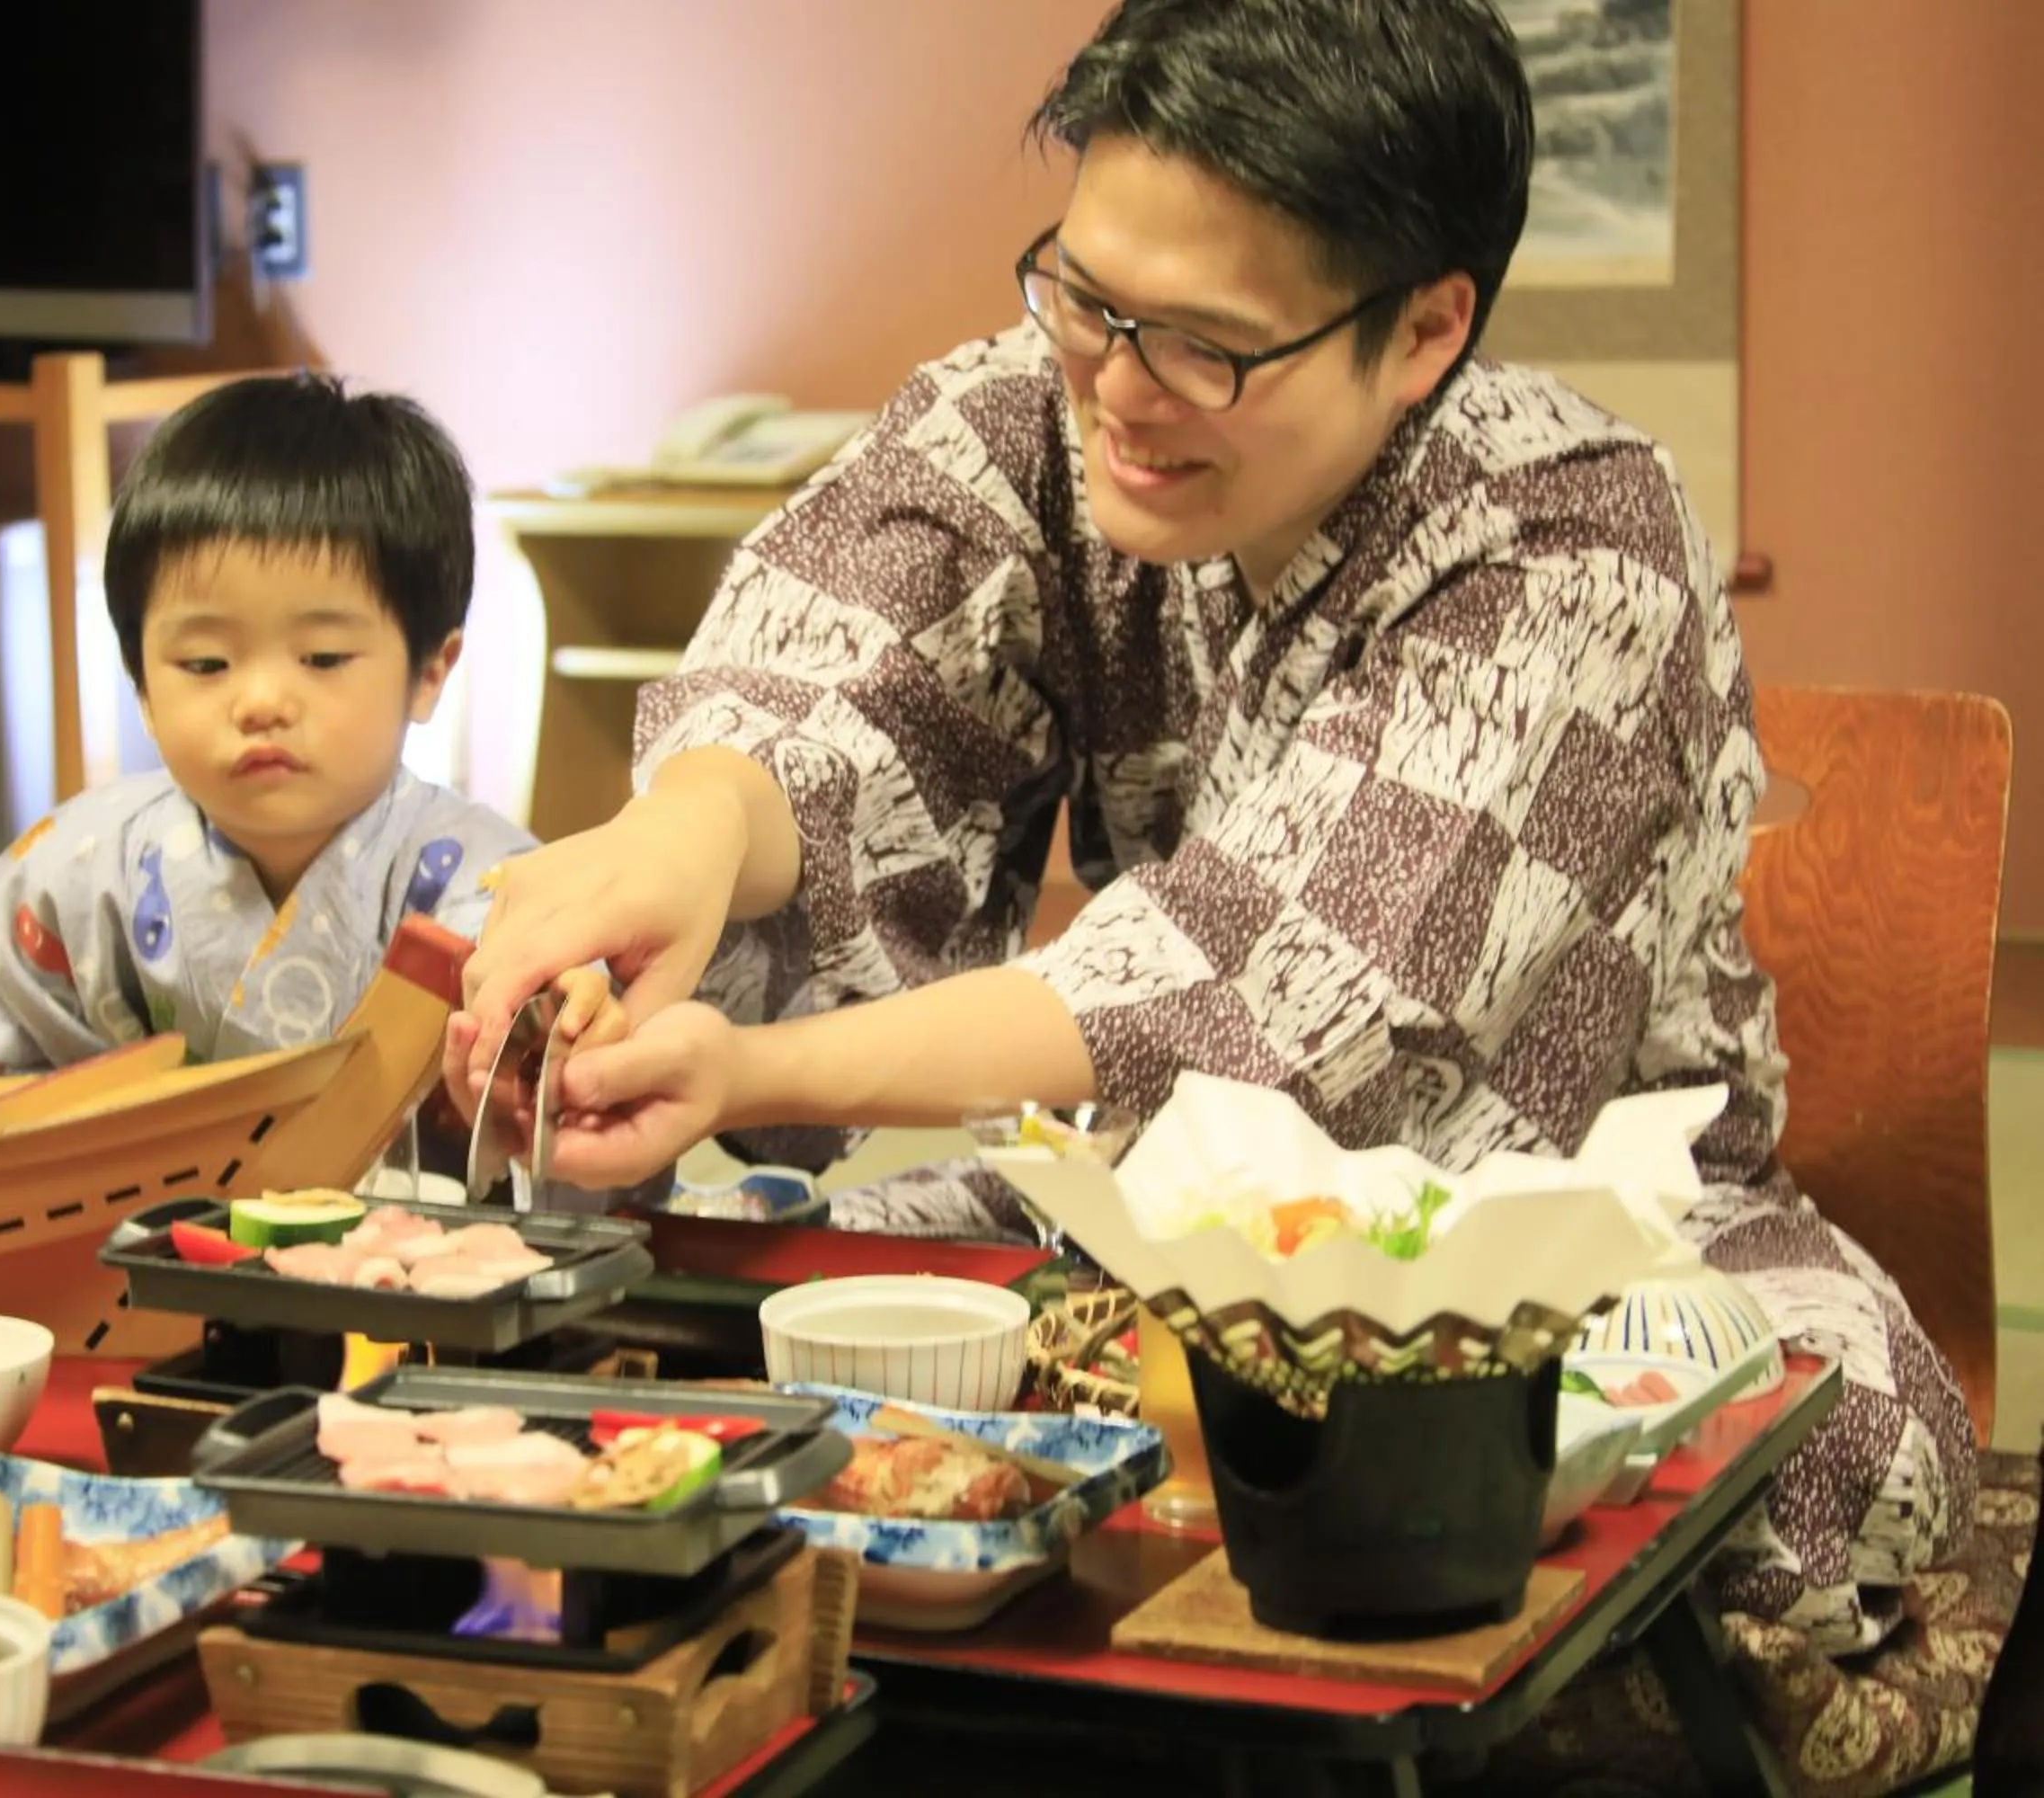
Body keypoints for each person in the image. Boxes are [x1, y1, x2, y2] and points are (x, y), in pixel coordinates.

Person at [451, 0, 1974, 1655]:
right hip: (1148, 1210)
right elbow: (841, 667)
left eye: (1206, 346)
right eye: (1087, 295)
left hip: (1565, 1240)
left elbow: (1276, 995)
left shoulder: (1577, 544)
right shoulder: (1040, 414)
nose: (1119, 388)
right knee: (699, 1317)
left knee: (1817, 1443)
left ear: (1425, 328)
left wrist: (748, 1072)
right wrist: (681, 838)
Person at [0, 372, 612, 1074]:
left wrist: (562, 1021)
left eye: (322, 658)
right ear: (142, 685)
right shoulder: (82, 865)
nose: (260, 702)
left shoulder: (483, 878)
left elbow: (552, 1015)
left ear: (429, 672)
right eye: (206, 663)